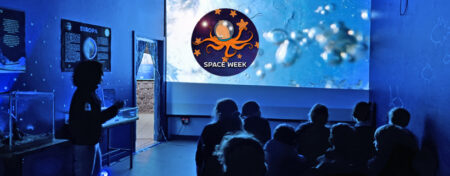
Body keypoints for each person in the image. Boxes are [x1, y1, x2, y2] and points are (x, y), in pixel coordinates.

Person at [69, 60, 124, 176]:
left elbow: (93, 118)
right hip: (85, 144)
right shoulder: (84, 95)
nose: (102, 76)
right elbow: (95, 119)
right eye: (100, 73)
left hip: (90, 143)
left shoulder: (88, 92)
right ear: (91, 75)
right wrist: (115, 108)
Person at [195, 99, 242, 176]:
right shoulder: (242, 132)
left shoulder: (209, 129)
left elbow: (200, 155)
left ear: (218, 112)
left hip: (212, 170)